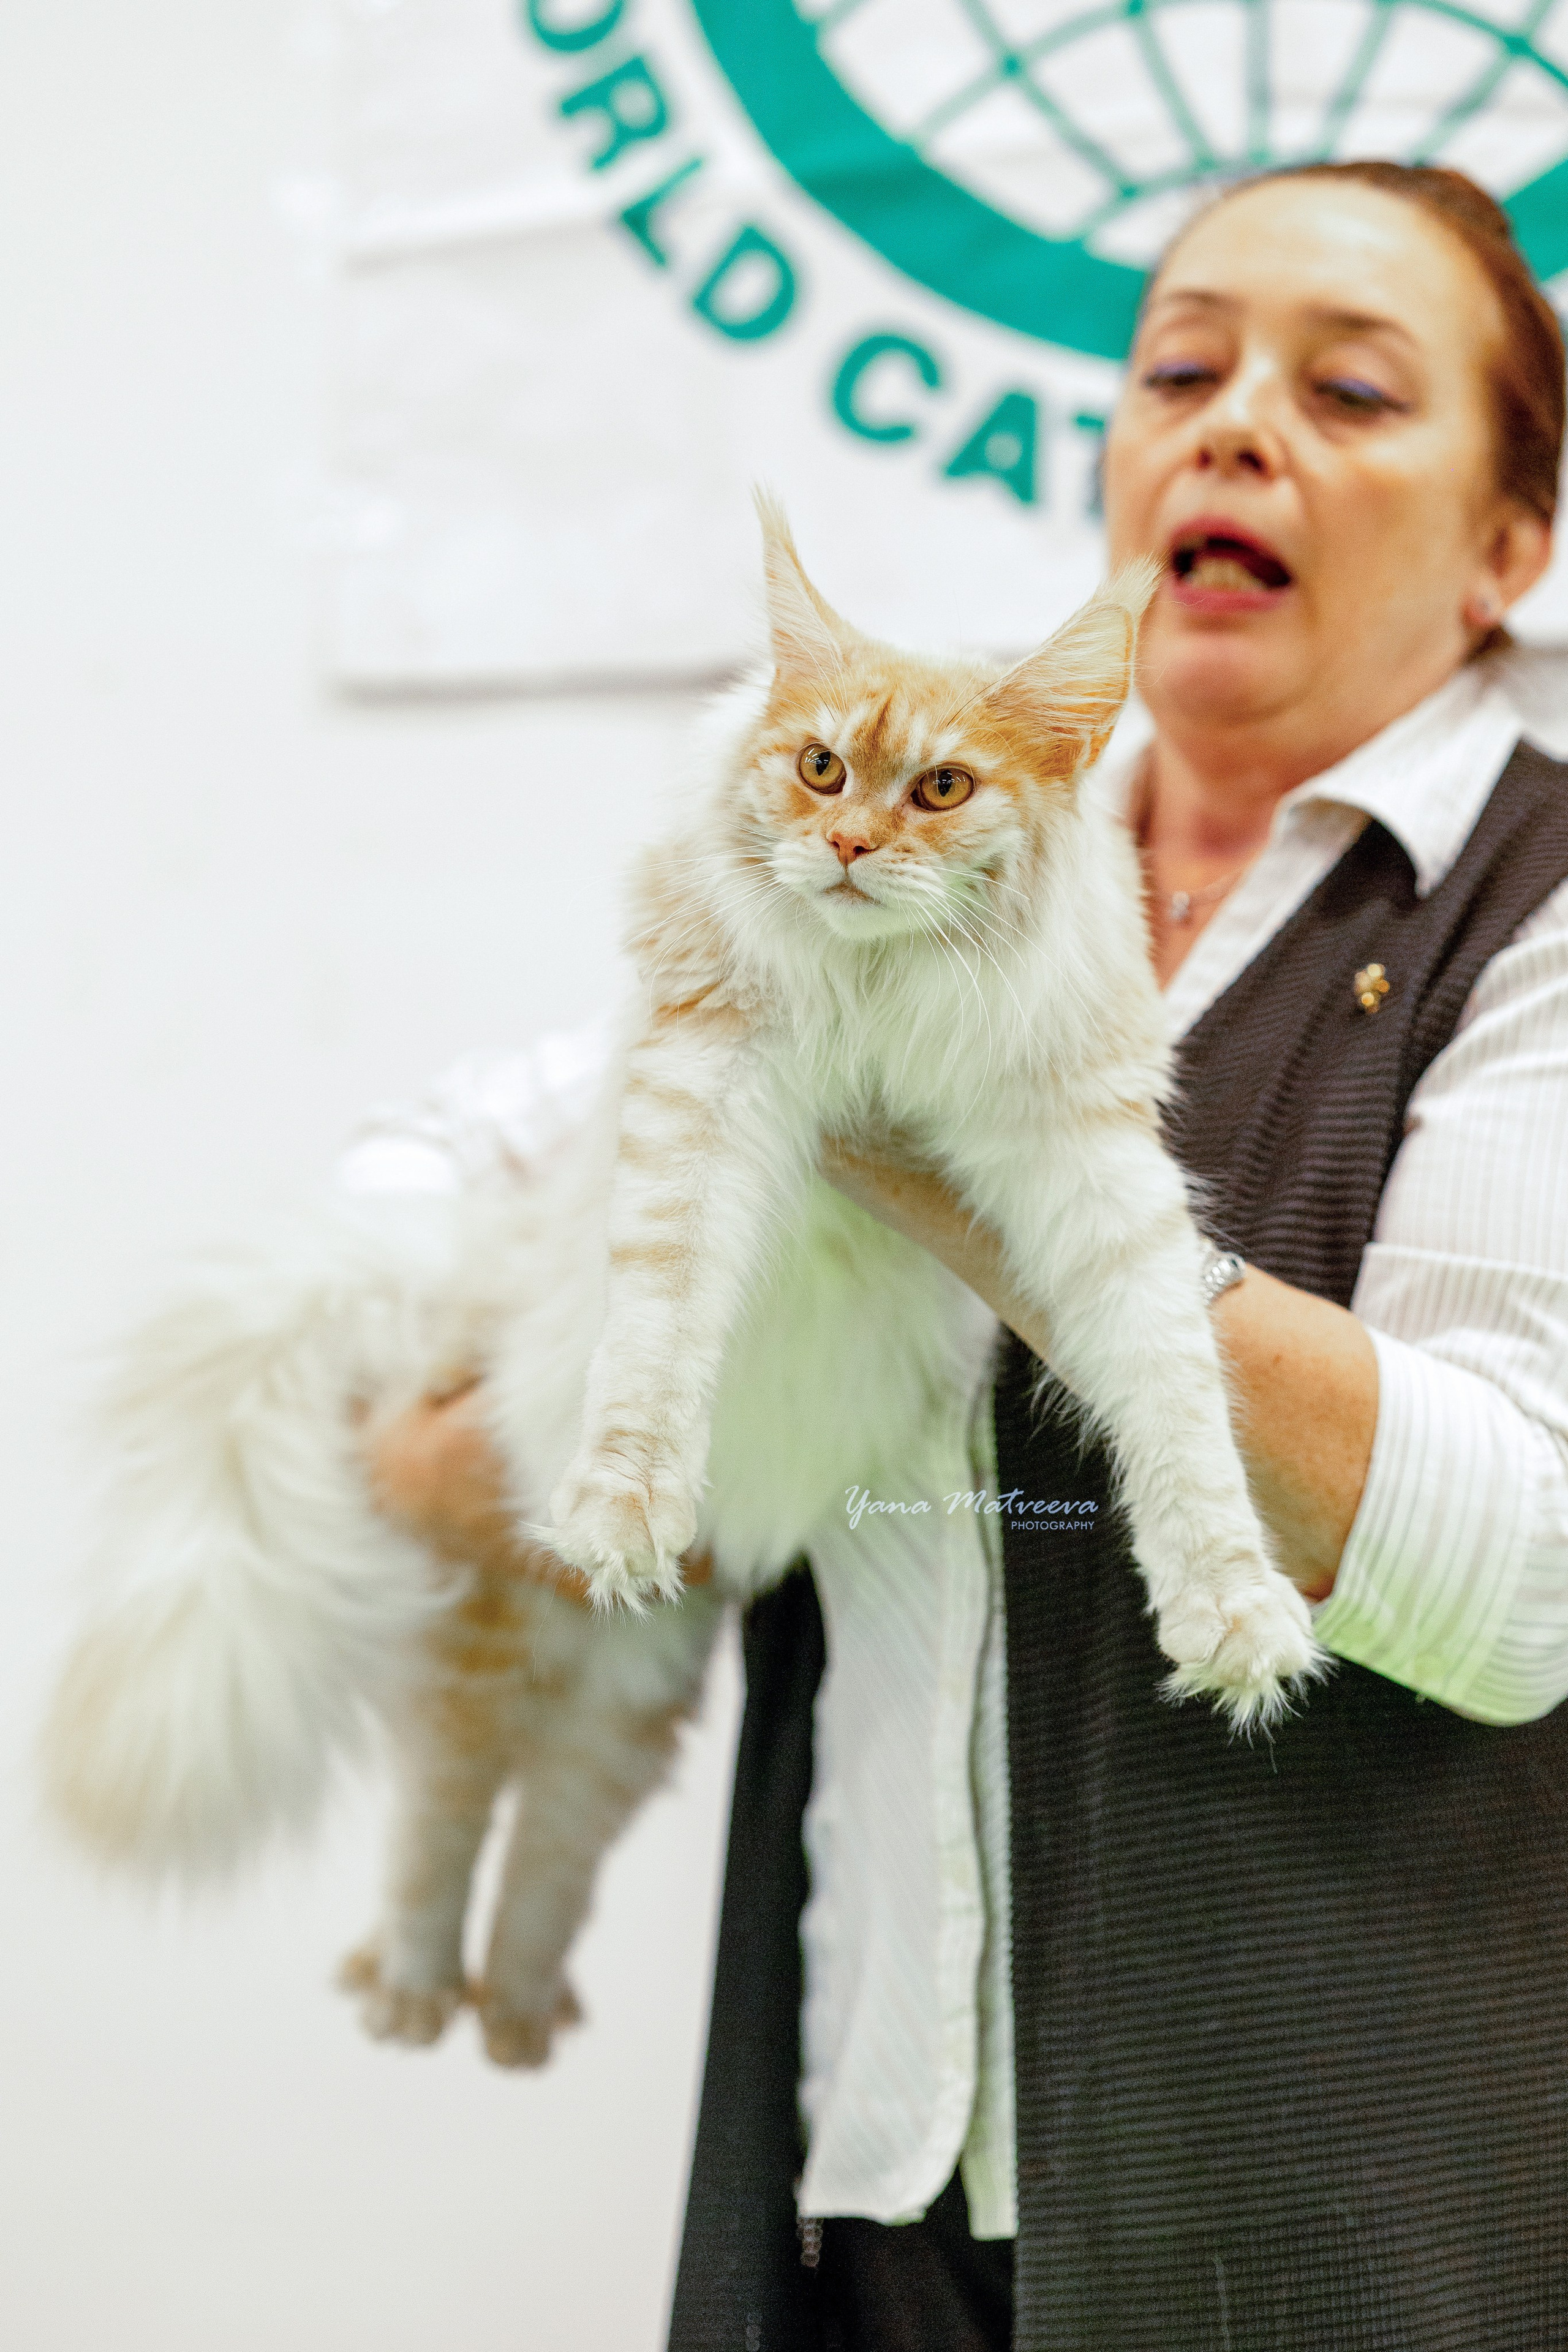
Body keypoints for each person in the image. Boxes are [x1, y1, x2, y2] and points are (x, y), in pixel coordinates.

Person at [355, 163, 1568, 2348]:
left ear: (1509, 546)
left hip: (1322, 2218)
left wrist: (982, 1171)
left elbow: (1519, 1582)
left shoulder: (1535, 900)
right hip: (870, 2180)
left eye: (1351, 390)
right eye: (1181, 370)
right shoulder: (924, 812)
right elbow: (463, 1151)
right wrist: (476, 1437)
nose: (1234, 424)